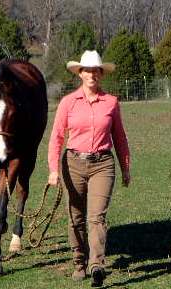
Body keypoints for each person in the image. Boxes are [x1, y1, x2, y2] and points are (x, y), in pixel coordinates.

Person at [47, 50, 130, 287]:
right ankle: (79, 262)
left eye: (96, 70)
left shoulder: (112, 103)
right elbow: (56, 137)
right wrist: (53, 170)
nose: (92, 74)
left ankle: (96, 266)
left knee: (97, 217)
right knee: (75, 218)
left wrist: (125, 167)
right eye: (87, 70)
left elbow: (120, 138)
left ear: (101, 74)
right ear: (80, 73)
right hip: (73, 164)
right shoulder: (68, 103)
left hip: (102, 164)